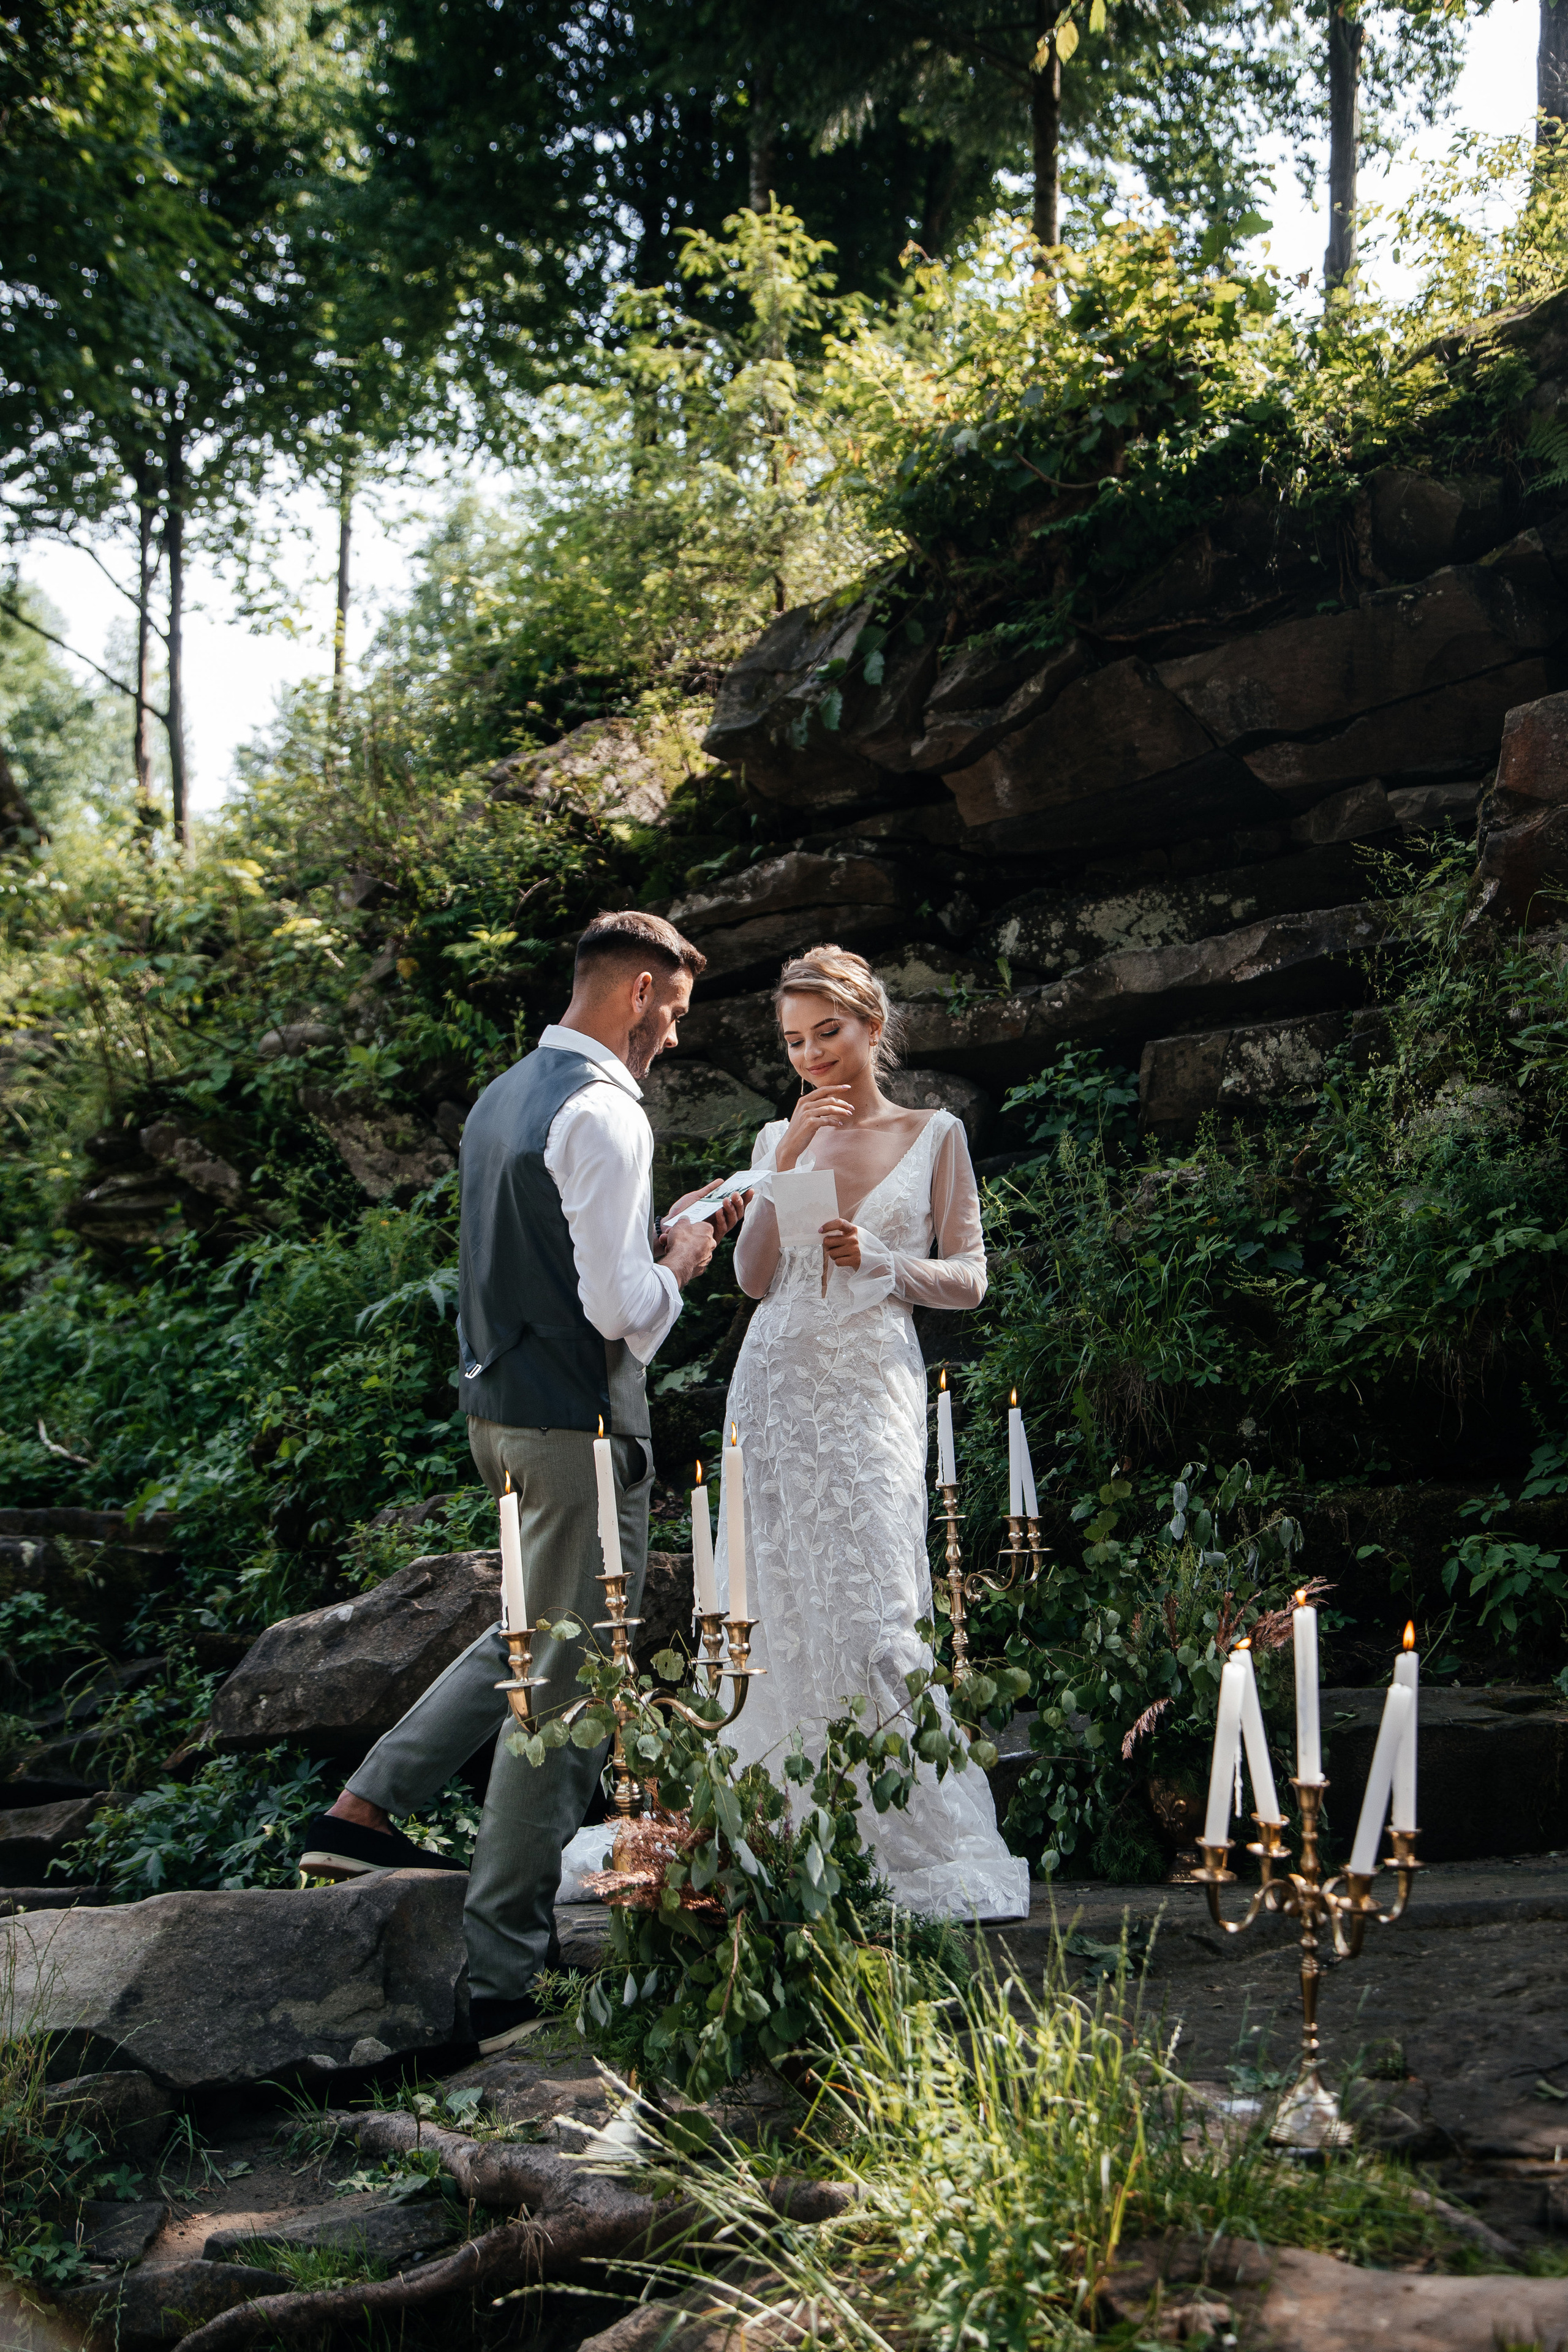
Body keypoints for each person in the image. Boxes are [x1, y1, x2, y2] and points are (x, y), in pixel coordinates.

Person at [296, 910, 745, 2054]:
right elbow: (621, 1309)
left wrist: (654, 1238)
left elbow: (551, 1254)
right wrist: (685, 1258)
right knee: (573, 1679)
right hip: (577, 1427)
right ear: (639, 990)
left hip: (498, 1418)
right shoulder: (608, 1111)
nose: (675, 1037)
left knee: (527, 1634)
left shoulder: (507, 1095)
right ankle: (502, 1975)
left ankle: (360, 1810)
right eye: (674, 1013)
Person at [717, 944, 1030, 1921]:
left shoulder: (936, 1134)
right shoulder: (780, 1136)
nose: (811, 1055)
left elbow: (971, 1277)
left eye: (828, 1033)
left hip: (869, 1386)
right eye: (794, 1042)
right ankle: (785, 1829)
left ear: (872, 1027)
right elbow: (753, 1279)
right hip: (775, 1382)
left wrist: (884, 1262)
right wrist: (785, 1163)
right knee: (776, 1599)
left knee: (880, 1601)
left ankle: (902, 1831)